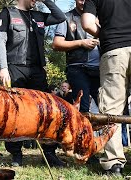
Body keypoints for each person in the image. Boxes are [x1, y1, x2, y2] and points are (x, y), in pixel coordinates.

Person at [0, 0, 66, 167]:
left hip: (37, 71)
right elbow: (0, 42)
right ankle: (16, 154)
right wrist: (3, 67)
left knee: (47, 111)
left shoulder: (39, 16)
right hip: (15, 68)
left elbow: (60, 17)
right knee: (15, 112)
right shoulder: (7, 13)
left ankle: (49, 153)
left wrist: (46, 1)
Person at [82, 0, 130, 176]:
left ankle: (114, 164)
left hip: (114, 50)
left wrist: (107, 33)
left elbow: (87, 23)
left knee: (112, 110)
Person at [52, 0, 99, 112]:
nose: (84, 2)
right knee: (83, 107)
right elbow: (56, 44)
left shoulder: (100, 16)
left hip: (100, 69)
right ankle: (83, 129)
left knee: (106, 105)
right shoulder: (66, 17)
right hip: (78, 68)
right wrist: (81, 43)